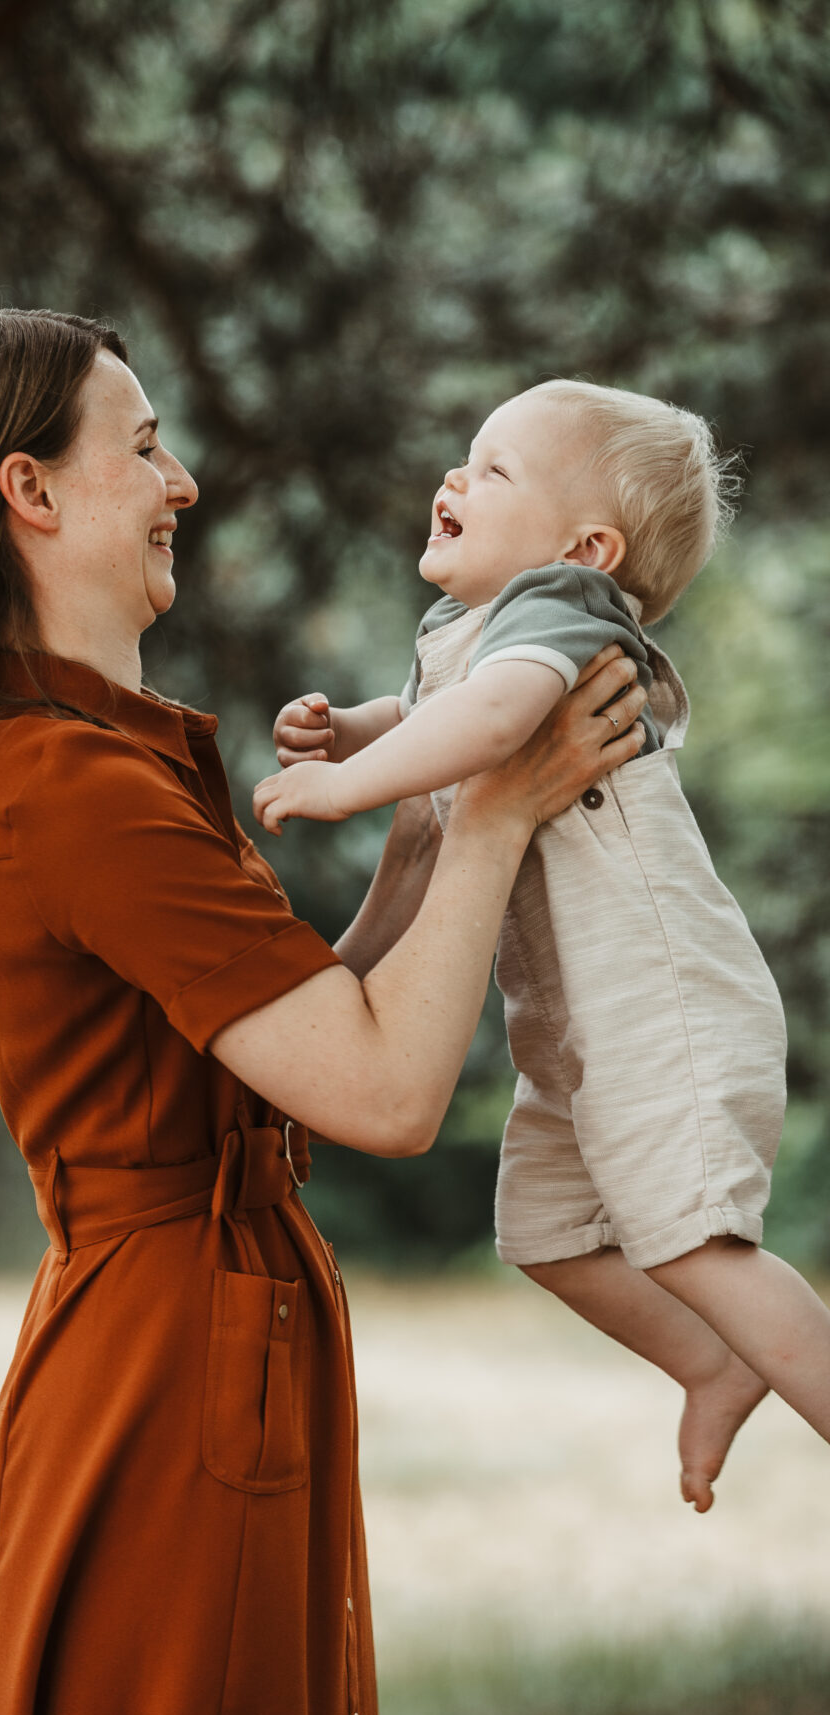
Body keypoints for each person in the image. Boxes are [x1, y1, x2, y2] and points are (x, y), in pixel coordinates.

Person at [0, 310, 647, 1715]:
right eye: (145, 445)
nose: (181, 485)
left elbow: (324, 1029)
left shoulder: (121, 764)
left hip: (195, 1333)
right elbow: (382, 1093)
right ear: (31, 493)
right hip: (169, 1369)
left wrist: (443, 816)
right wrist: (498, 815)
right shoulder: (84, 795)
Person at [255, 378, 830, 1516]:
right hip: (572, 1031)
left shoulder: (561, 608)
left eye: (494, 469)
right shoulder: (471, 632)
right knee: (550, 1234)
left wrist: (343, 785)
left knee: (698, 1247)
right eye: (464, 460)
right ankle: (712, 1360)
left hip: (661, 1003)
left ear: (587, 545)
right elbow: (440, 712)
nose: (455, 481)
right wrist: (362, 726)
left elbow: (493, 720)